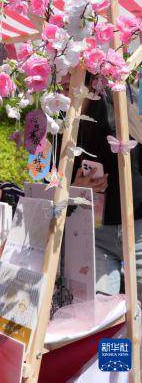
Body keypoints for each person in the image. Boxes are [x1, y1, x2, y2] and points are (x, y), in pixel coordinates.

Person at [72, 88, 142, 300]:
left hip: (138, 229)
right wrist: (77, 187)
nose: (66, 94)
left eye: (68, 88)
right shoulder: (63, 127)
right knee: (101, 309)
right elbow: (54, 184)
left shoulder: (129, 109)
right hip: (96, 234)